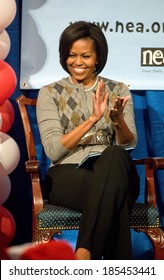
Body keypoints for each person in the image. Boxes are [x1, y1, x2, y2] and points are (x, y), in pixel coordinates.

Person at [36, 21, 140, 260]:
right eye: (71, 55)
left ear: (98, 57)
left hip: (112, 170)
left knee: (114, 156)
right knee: (115, 199)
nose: (78, 62)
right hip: (67, 174)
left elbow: (129, 145)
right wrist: (92, 119)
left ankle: (84, 255)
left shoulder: (119, 90)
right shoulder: (50, 93)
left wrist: (117, 122)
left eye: (85, 56)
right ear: (64, 56)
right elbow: (53, 150)